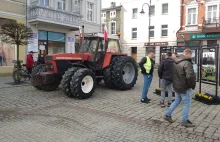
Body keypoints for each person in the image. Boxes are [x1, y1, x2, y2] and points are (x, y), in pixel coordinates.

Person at [164, 48, 196, 127]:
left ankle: (167, 115)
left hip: (177, 85)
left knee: (177, 100)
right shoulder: (187, 63)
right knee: (187, 103)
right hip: (184, 87)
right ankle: (184, 121)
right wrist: (191, 86)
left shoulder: (176, 61)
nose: (191, 56)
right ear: (189, 54)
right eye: (191, 55)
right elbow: (190, 76)